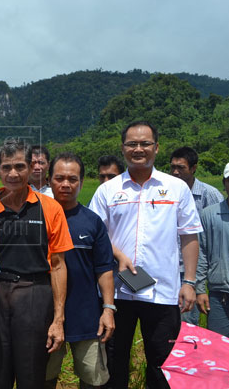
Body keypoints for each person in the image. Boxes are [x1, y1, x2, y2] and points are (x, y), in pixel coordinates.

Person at [89, 121, 202, 389]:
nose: (138, 149)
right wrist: (118, 254)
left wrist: (189, 282)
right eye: (132, 144)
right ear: (123, 148)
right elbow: (95, 234)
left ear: (156, 147)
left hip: (163, 292)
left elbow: (189, 236)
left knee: (162, 364)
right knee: (114, 361)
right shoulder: (108, 190)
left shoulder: (176, 188)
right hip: (116, 293)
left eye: (145, 143)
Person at [0, 139, 72, 389]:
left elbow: (58, 264)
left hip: (35, 294)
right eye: (7, 167)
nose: (13, 174)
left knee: (32, 375)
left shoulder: (50, 208)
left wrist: (58, 319)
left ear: (31, 168)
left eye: (20, 166)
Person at [45, 152, 115, 389]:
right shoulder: (37, 218)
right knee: (44, 376)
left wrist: (108, 309)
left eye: (72, 179)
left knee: (93, 379)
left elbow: (104, 269)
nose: (65, 184)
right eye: (59, 178)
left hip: (87, 316)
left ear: (82, 182)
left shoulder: (92, 221)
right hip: (45, 316)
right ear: (49, 180)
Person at [170, 146, 224, 325]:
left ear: (193, 168)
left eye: (181, 168)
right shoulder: (168, 193)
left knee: (189, 323)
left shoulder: (210, 195)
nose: (175, 172)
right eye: (172, 167)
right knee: (169, 322)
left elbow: (220, 233)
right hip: (170, 269)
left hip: (195, 271)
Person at [196, 159, 229, 345]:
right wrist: (200, 289)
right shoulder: (209, 214)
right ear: (224, 183)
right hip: (220, 296)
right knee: (219, 349)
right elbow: (201, 254)